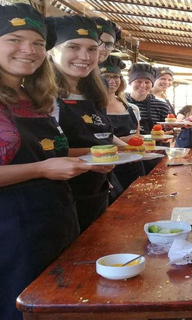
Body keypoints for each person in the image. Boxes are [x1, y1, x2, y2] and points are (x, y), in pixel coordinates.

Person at [0, 4, 91, 319]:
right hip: (11, 233)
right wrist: (42, 169)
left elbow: (52, 154)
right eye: (14, 38)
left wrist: (94, 158)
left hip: (56, 221)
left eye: (38, 43)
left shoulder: (34, 96)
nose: (29, 49)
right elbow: (43, 164)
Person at [48, 15, 116, 232]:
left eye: (92, 49)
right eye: (73, 47)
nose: (84, 56)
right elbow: (44, 153)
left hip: (97, 192)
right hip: (61, 200)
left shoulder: (94, 93)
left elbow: (103, 138)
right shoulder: (43, 97)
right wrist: (102, 154)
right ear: (51, 50)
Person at [100, 55, 145, 190]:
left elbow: (137, 137)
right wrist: (122, 141)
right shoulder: (92, 108)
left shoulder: (132, 108)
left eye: (116, 77)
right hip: (108, 166)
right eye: (106, 76)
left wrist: (134, 143)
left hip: (133, 164)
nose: (112, 81)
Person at [126, 63, 170, 173]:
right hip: (127, 155)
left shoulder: (161, 106)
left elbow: (166, 130)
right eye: (138, 81)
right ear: (130, 82)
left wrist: (166, 134)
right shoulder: (121, 103)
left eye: (147, 82)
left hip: (153, 154)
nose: (143, 85)